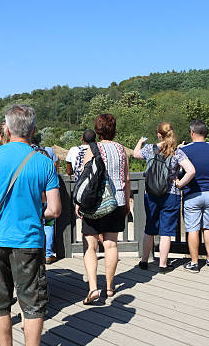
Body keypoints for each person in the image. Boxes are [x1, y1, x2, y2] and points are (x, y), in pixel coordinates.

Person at [0, 104, 61, 346]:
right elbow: (54, 209)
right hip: (29, 240)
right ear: (33, 130)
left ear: (7, 130)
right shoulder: (44, 163)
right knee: (32, 303)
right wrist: (35, 212)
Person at [77, 113, 131, 304]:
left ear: (97, 129)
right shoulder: (121, 149)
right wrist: (126, 202)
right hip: (116, 202)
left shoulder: (93, 149)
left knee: (90, 245)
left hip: (94, 203)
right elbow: (126, 179)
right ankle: (109, 286)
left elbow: (84, 178)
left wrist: (78, 203)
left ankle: (93, 287)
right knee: (111, 245)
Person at [133, 122, 195, 273]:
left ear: (159, 134)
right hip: (171, 194)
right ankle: (163, 264)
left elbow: (135, 154)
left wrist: (140, 142)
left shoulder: (149, 149)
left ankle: (144, 261)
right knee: (166, 232)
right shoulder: (176, 151)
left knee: (150, 228)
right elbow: (191, 171)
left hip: (151, 194)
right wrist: (180, 184)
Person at [179, 120, 209, 272]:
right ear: (206, 133)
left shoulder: (184, 150)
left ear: (192, 133)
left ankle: (195, 263)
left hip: (193, 194)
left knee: (193, 229)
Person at [31, 132, 59, 264]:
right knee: (48, 224)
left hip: (32, 195)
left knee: (34, 222)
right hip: (48, 193)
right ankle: (48, 253)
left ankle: (36, 252)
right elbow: (55, 168)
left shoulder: (26, 153)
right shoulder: (49, 151)